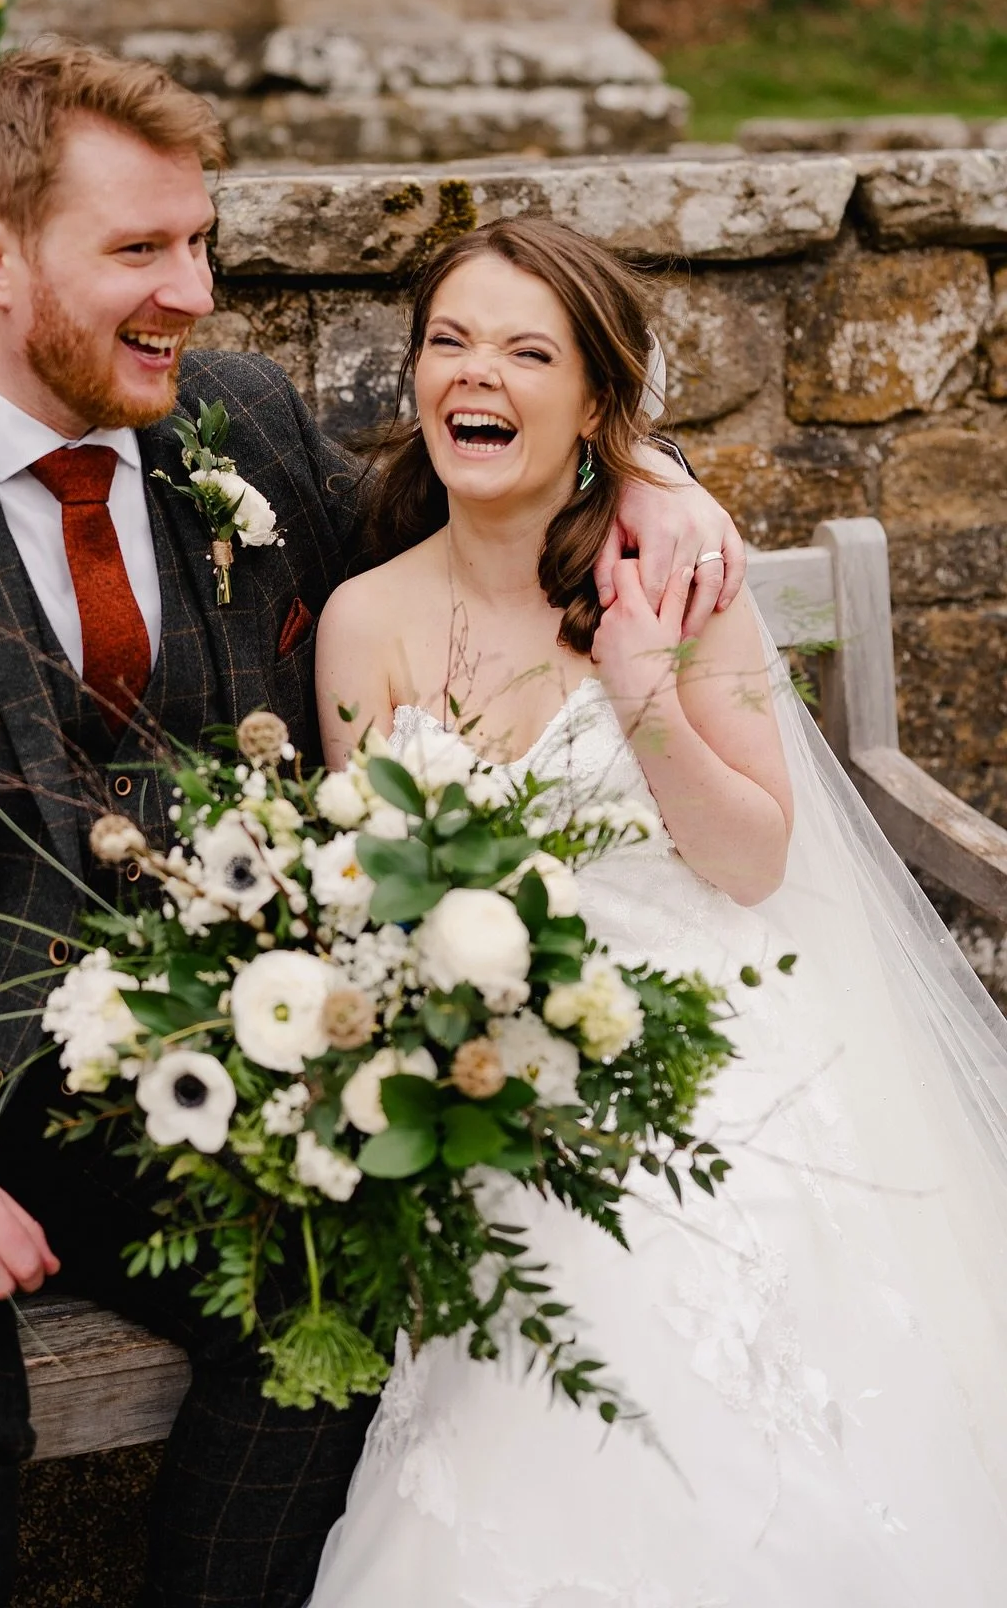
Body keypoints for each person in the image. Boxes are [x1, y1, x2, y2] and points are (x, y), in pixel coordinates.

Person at [0, 45, 745, 1608]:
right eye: (141, 251)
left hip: (166, 1090)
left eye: (201, 241)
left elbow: (467, 495)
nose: (195, 291)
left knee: (346, 1303)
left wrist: (646, 470)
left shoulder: (232, 422)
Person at [309, 217, 1007, 1607]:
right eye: (448, 342)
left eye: (525, 349)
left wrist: (640, 686)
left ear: (594, 400)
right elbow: (362, 913)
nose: (475, 376)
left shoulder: (680, 575)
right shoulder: (364, 620)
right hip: (500, 1070)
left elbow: (753, 858)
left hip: (727, 1034)